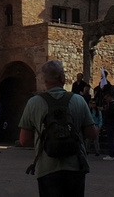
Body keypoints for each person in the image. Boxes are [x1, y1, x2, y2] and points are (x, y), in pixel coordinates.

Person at [19, 59, 96, 197]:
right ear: (62, 77)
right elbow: (92, 134)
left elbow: (24, 140)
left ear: (43, 79)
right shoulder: (79, 100)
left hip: (46, 167)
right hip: (75, 165)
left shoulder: (33, 103)